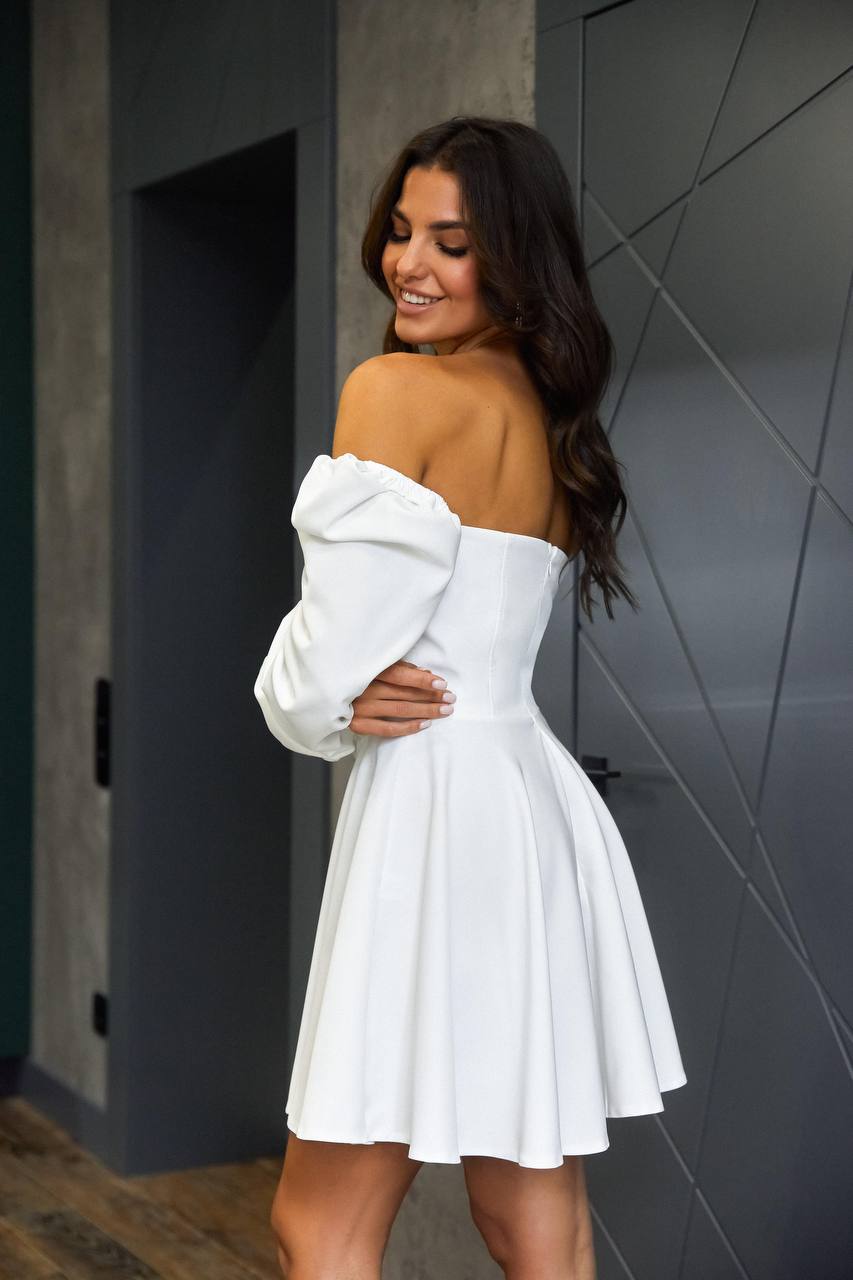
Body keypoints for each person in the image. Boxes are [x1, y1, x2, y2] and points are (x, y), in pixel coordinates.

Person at [254, 116, 687, 1280]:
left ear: (513, 257)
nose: (409, 263)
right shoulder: (549, 426)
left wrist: (311, 696)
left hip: (430, 816)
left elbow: (326, 664)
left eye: (452, 241)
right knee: (536, 1224)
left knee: (323, 1223)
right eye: (400, 232)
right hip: (526, 813)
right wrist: (346, 689)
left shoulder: (395, 393)